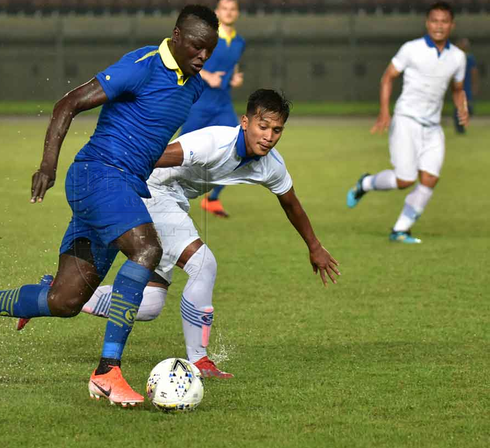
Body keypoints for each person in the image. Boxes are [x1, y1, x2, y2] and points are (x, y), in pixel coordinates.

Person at [0, 5, 220, 408]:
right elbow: (68, 104)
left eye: (209, 50)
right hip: (99, 176)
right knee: (147, 249)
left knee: (64, 301)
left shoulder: (194, 84)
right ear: (177, 36)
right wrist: (47, 165)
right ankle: (106, 373)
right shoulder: (143, 65)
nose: (202, 56)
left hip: (122, 189)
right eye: (197, 47)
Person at [78, 89, 339, 378]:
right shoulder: (212, 143)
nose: (268, 136)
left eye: (277, 130)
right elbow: (151, 159)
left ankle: (69, 295)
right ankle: (200, 361)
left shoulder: (271, 165)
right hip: (152, 190)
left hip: (174, 201)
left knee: (150, 305)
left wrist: (314, 246)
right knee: (203, 263)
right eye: (262, 126)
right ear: (245, 122)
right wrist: (107, 186)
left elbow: (291, 204)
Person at [346, 2, 468, 244]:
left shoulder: (458, 57)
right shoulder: (411, 49)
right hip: (406, 120)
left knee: (430, 179)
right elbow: (387, 77)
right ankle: (366, 183)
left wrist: (461, 106)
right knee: (405, 180)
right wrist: (384, 112)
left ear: (452, 25)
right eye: (435, 20)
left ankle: (400, 229)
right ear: (427, 22)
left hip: (433, 127)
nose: (439, 25)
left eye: (444, 21)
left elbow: (457, 89)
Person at [182, 0, 246, 218]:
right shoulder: (206, 36)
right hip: (199, 102)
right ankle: (152, 190)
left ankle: (212, 198)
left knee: (241, 149)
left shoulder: (239, 42)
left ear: (237, 13)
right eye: (224, 9)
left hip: (222, 104)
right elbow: (185, 60)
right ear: (217, 12)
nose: (228, 12)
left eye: (232, 9)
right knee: (178, 150)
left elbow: (232, 66)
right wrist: (207, 75)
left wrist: (234, 78)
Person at [453, 38, 479, 135]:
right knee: (458, 106)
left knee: (466, 106)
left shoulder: (469, 58)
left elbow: (474, 72)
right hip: (458, 86)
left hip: (466, 85)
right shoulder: (456, 57)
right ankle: (459, 128)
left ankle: (461, 125)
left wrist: (474, 85)